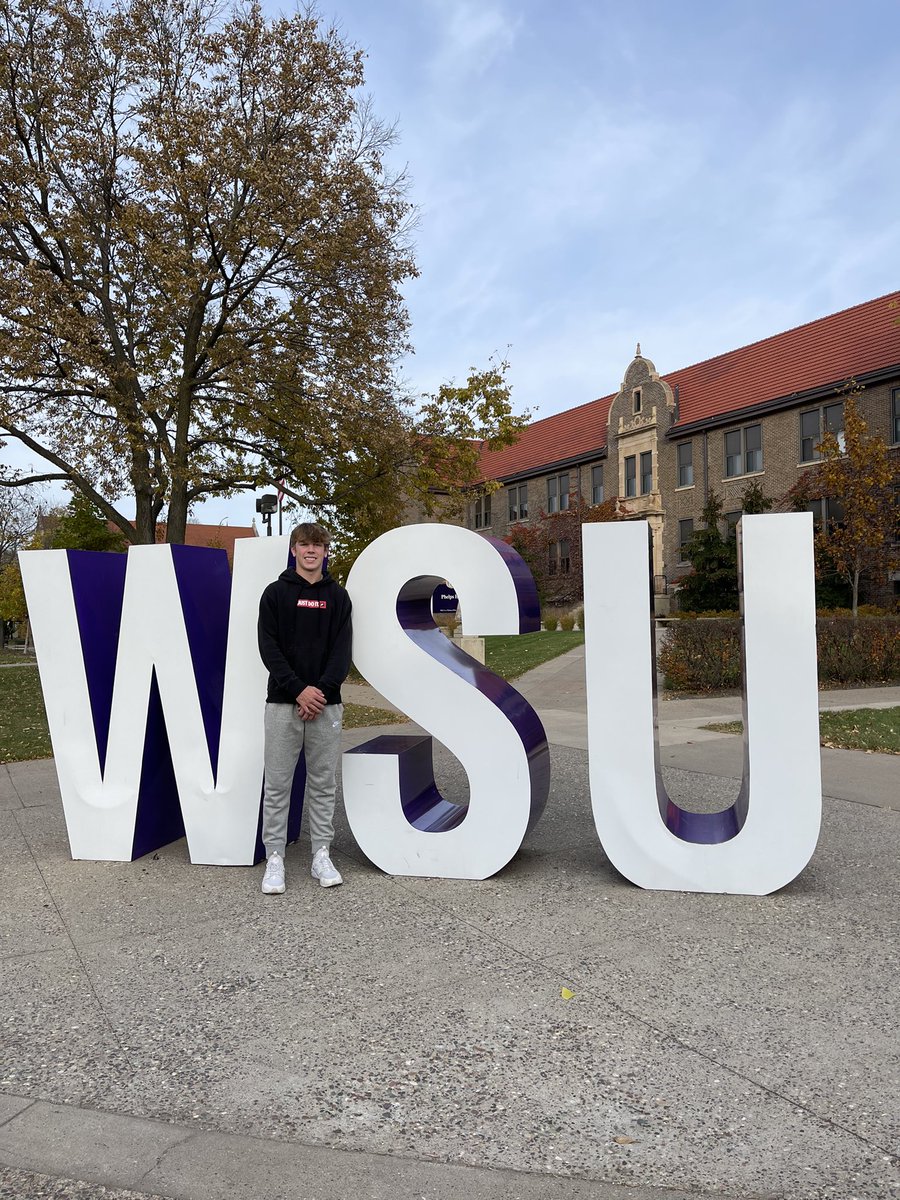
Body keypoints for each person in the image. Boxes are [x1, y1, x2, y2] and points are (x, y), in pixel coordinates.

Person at [257, 522, 352, 893]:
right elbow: (270, 650)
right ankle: (275, 859)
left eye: (317, 544)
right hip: (283, 704)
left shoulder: (338, 598)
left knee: (323, 783)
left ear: (325, 551)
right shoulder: (275, 594)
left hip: (326, 706)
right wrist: (299, 691)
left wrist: (319, 693)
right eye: (304, 544)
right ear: (294, 550)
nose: (311, 550)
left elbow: (341, 653)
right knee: (278, 784)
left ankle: (321, 855)